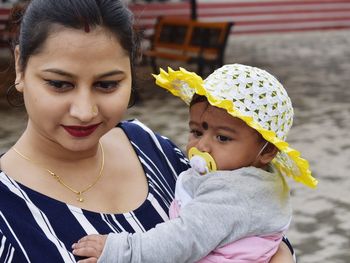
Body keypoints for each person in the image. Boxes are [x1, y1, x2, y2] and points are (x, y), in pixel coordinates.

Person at [0, 0, 296, 262]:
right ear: (20, 66)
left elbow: (247, 231)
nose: (84, 111)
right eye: (59, 84)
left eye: (107, 85)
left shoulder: (156, 150)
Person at [72, 65, 318, 262]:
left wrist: (121, 251)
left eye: (223, 137)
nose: (202, 147)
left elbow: (183, 239)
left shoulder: (234, 192)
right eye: (197, 132)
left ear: (267, 152)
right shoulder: (253, 173)